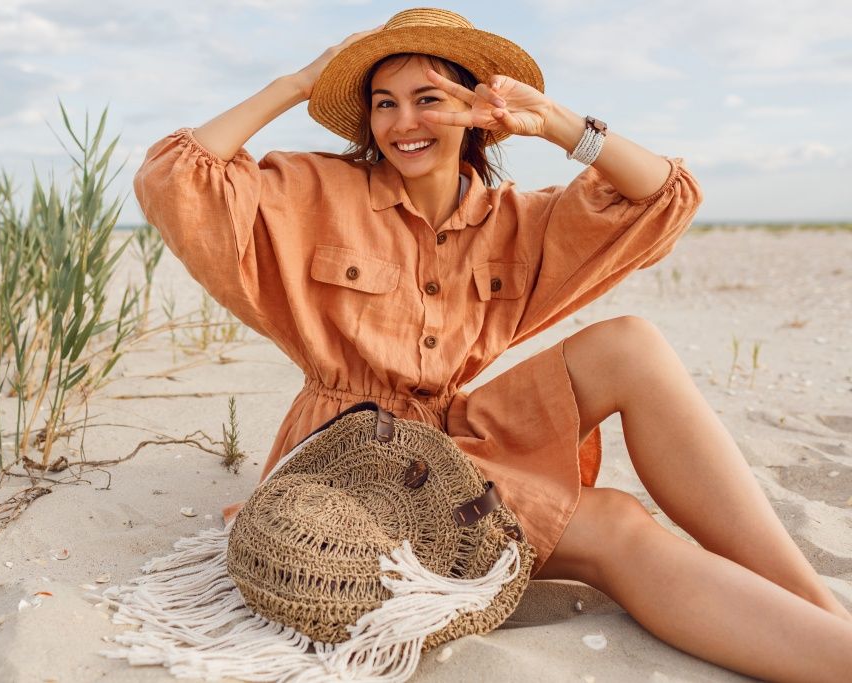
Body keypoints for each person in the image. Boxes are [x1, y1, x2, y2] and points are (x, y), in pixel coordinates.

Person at [133, 8, 852, 681]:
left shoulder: (516, 219)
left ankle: (819, 610)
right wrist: (294, 85)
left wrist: (558, 125)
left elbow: (665, 197)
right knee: (611, 525)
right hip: (353, 460)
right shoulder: (316, 187)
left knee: (631, 343)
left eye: (429, 98)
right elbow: (174, 176)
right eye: (384, 102)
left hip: (459, 437)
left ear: (477, 110)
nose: (403, 122)